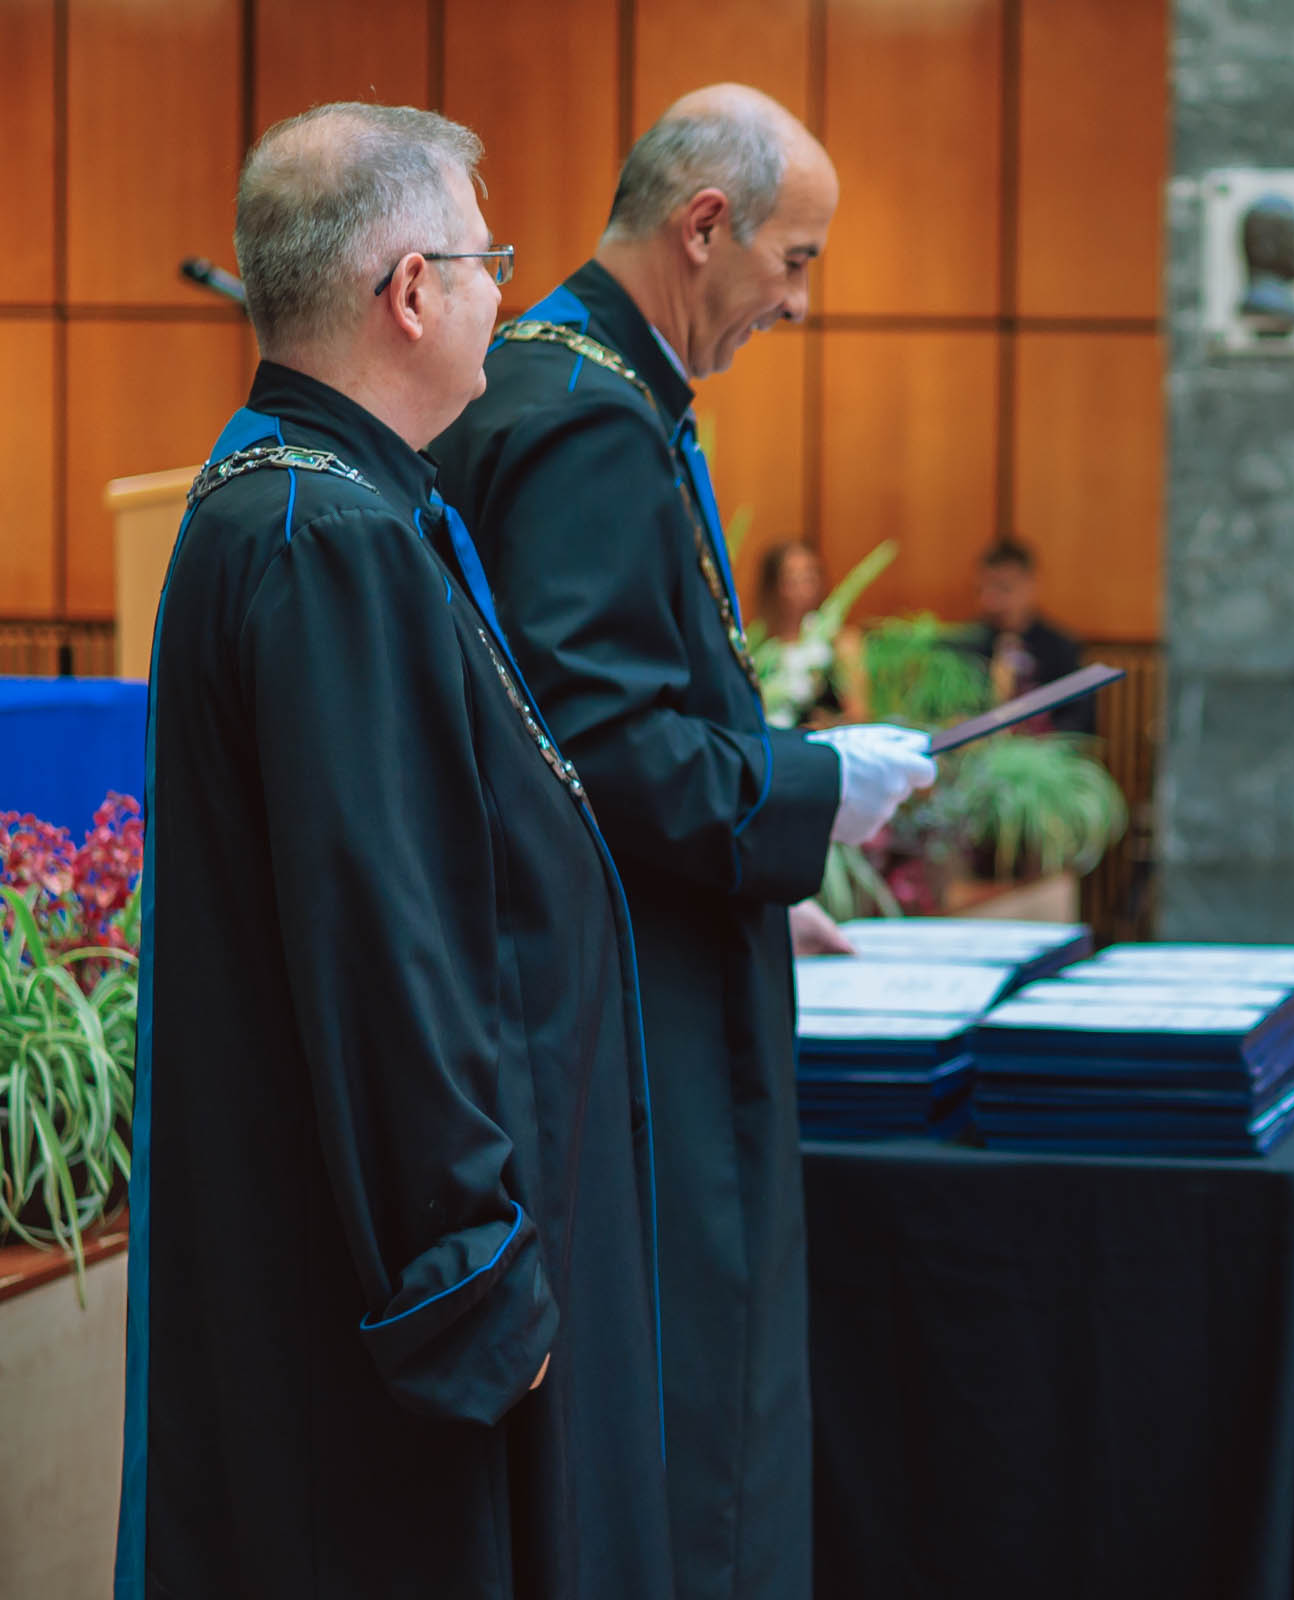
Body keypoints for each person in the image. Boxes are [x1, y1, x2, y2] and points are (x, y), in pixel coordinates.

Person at [118, 104, 672, 1597]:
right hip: (391, 1311)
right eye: (489, 259)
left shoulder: (317, 495)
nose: (508, 290)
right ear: (412, 290)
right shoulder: (326, 534)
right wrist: (468, 1274)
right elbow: (385, 939)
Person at [428, 85, 934, 1600]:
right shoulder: (586, 413)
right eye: (795, 260)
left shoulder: (575, 378)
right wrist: (810, 790)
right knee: (689, 1400)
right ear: (705, 226)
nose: (798, 300)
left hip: (642, 961)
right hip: (632, 1017)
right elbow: (605, 747)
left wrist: (777, 878)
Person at [961, 537, 1095, 735]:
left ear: (1031, 584)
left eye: (1004, 588)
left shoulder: (1060, 647)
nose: (990, 601)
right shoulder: (967, 644)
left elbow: (1079, 721)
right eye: (982, 590)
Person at [750, 539, 847, 725]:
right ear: (773, 585)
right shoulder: (756, 647)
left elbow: (859, 715)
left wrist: (825, 723)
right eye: (791, 579)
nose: (802, 588)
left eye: (809, 577)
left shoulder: (837, 643)